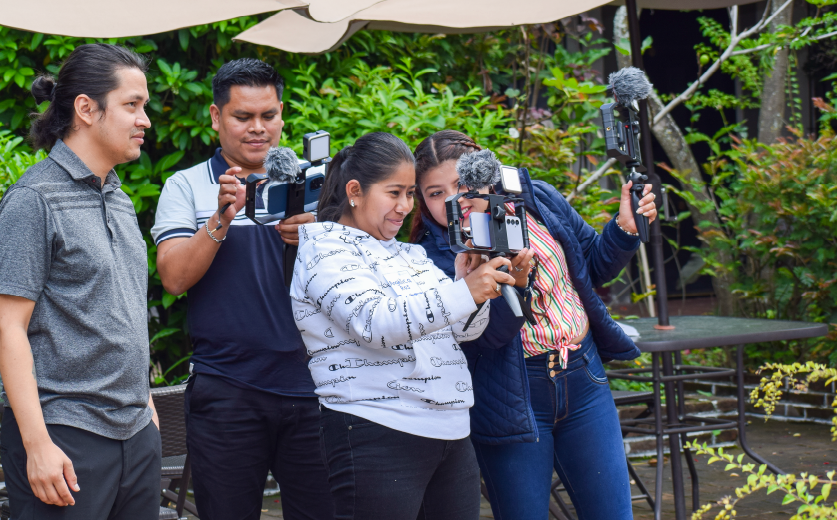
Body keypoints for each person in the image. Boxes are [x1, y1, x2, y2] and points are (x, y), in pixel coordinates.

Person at [410, 130, 657, 520]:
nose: (454, 200)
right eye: (435, 193)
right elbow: (485, 339)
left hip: (583, 377)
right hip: (510, 396)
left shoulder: (537, 198)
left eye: (461, 183)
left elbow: (591, 267)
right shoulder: (432, 256)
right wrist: (512, 286)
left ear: (486, 171)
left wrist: (625, 227)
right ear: (421, 201)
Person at [291, 132, 516, 520]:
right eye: (394, 192)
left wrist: (477, 291)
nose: (404, 207)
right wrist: (464, 293)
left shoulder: (410, 253)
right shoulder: (323, 251)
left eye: (410, 194)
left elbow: (462, 332)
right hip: (376, 428)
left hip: (451, 428)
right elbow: (378, 324)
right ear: (355, 191)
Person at [151, 58, 333, 520]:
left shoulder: (317, 184)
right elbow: (173, 278)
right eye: (242, 117)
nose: (258, 128)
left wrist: (320, 234)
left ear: (282, 113)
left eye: (267, 116)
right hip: (228, 390)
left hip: (318, 386)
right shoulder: (187, 185)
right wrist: (220, 219)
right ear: (216, 117)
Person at [0, 43, 161, 519]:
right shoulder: (33, 200)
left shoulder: (120, 198)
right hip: (64, 438)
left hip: (135, 432)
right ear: (86, 109)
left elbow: (120, 308)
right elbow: (7, 331)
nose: (144, 120)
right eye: (132, 105)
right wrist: (37, 444)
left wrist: (144, 404)